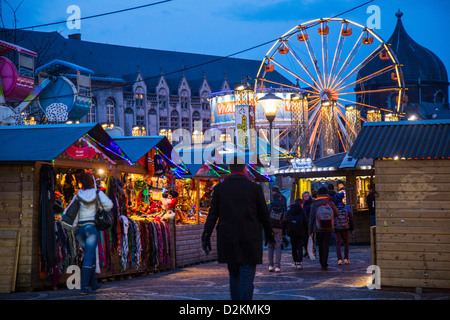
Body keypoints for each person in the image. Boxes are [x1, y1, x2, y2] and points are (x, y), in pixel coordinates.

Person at [201, 158, 275, 300]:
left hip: (228, 238)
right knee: (247, 276)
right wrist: (269, 234)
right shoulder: (255, 188)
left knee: (234, 276)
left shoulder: (220, 189)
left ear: (229, 168)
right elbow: (264, 214)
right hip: (250, 238)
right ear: (244, 169)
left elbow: (212, 216)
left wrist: (206, 236)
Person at [73, 171, 113, 294]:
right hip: (91, 228)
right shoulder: (97, 193)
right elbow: (109, 205)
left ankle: (94, 283)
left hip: (80, 229)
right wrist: (100, 208)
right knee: (89, 257)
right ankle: (84, 287)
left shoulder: (78, 195)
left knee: (91, 254)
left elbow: (72, 212)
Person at [308, 186, 339, 271]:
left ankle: (321, 262)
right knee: (326, 245)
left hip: (318, 227)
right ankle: (324, 264)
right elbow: (336, 213)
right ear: (327, 192)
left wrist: (310, 230)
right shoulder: (330, 202)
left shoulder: (314, 203)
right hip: (329, 226)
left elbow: (311, 218)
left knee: (320, 244)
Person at [286, 198, 308, 269]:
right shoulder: (301, 211)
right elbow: (305, 222)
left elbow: (286, 221)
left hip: (291, 231)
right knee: (300, 247)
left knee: (293, 247)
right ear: (301, 203)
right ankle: (299, 262)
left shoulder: (289, 211)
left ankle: (295, 261)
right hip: (300, 231)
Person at [334, 193, 354, 265]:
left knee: (338, 243)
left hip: (337, 228)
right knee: (346, 242)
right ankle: (346, 258)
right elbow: (351, 219)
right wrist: (351, 228)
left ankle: (339, 259)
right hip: (345, 227)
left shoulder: (335, 207)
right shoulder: (346, 207)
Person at [267, 192, 285, 272]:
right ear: (279, 198)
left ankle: (270, 265)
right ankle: (278, 266)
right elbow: (285, 220)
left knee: (270, 246)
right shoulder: (283, 207)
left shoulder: (269, 206)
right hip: (279, 228)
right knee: (278, 246)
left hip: (270, 228)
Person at [272, 185, 288, 249]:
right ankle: (281, 243)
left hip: (276, 217)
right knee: (282, 231)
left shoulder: (277, 198)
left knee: (278, 232)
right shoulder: (283, 197)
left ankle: (280, 244)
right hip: (282, 217)